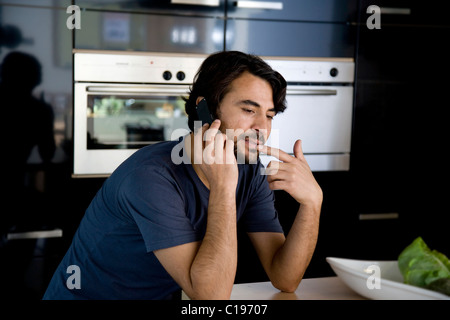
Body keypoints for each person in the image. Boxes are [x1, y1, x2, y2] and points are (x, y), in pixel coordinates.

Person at [43, 51, 322, 300]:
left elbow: (285, 279)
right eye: (249, 110)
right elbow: (210, 297)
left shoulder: (249, 171)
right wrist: (224, 187)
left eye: (270, 115)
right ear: (205, 108)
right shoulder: (151, 179)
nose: (262, 127)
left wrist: (312, 203)